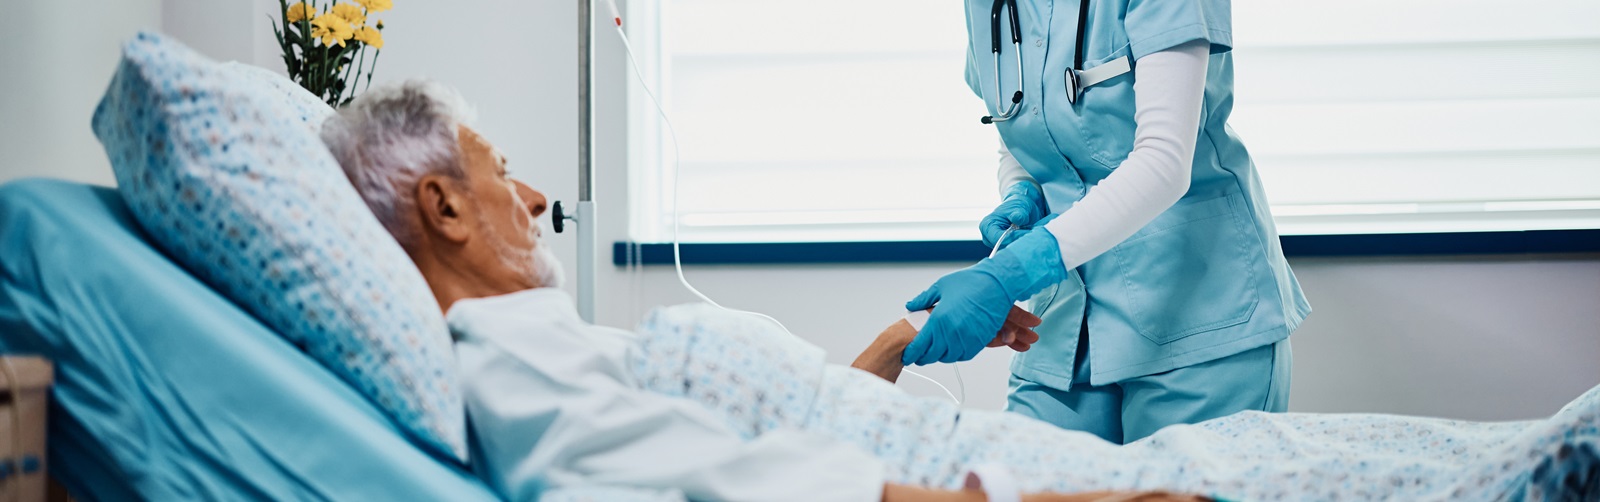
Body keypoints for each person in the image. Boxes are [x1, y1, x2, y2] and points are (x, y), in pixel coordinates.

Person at [320, 79, 1598, 502]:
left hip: (1199, 297)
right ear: (439, 209)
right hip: (967, 461)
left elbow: (1158, 156)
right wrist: (1018, 222)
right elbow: (748, 481)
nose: (537, 197)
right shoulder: (516, 357)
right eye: (502, 173)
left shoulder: (541, 340)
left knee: (1323, 451)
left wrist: (895, 339)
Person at [900, 0, 1311, 444]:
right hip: (1064, 326)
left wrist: (1009, 274)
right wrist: (1022, 191)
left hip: (1197, 314)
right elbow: (1018, 122)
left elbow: (1163, 161)